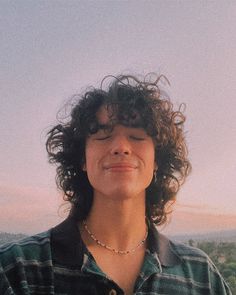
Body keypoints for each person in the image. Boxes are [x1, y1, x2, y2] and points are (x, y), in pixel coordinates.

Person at [0, 74, 232, 295]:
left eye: (137, 136)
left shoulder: (200, 275)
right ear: (82, 158)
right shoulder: (17, 269)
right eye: (102, 136)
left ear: (157, 161)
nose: (121, 147)